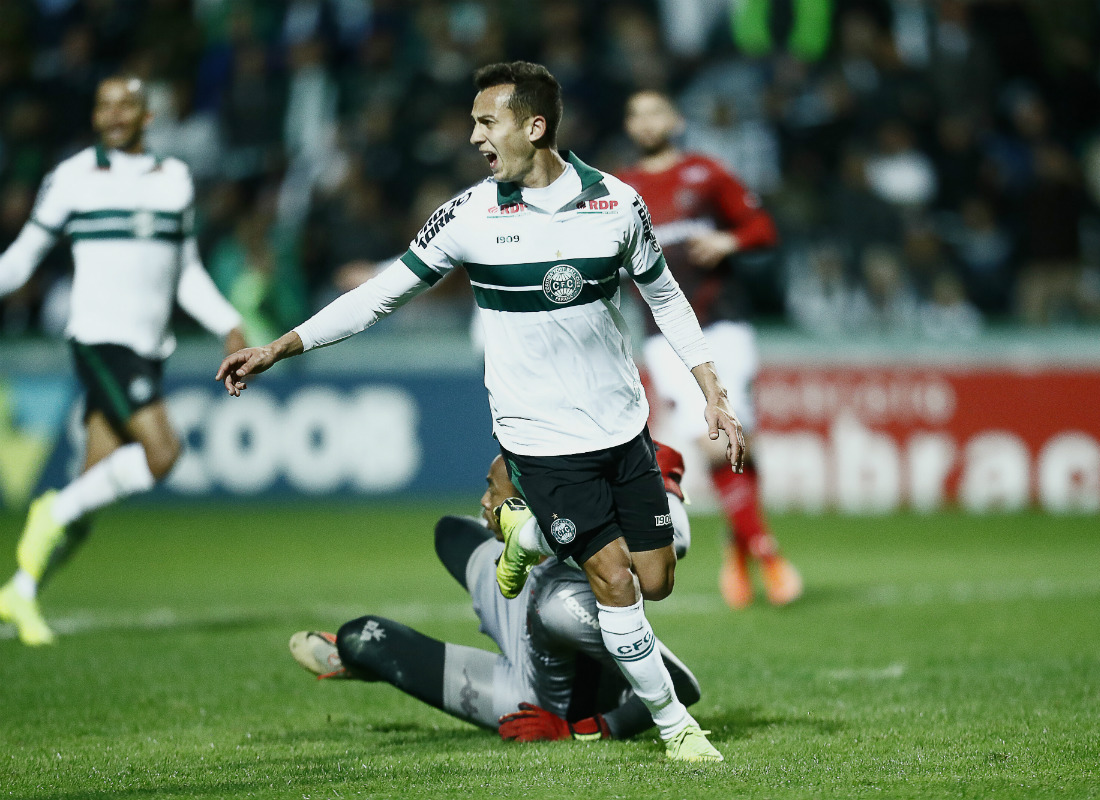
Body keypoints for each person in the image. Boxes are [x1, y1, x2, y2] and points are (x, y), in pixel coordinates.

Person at [218, 61, 737, 762]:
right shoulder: (469, 215)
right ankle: (679, 731)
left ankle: (526, 534)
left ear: (535, 126)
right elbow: (379, 295)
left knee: (657, 579)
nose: (473, 137)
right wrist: (281, 346)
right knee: (615, 582)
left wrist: (712, 389)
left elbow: (666, 296)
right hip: (541, 437)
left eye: (487, 122)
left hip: (622, 426)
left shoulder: (617, 203)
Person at [0, 77, 246, 646]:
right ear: (94, 116)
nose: (113, 115)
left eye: (125, 105)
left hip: (149, 349)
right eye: (104, 105)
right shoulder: (72, 177)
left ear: (146, 115)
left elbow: (186, 272)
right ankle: (49, 512)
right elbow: (22, 260)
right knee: (163, 453)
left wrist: (228, 324)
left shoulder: (174, 178)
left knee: (92, 490)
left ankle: (21, 591)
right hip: (99, 340)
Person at [289, 445, 703, 746]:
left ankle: (362, 661)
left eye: (493, 491)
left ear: (525, 506)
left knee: (360, 638)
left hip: (530, 693)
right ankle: (515, 558)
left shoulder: (564, 604)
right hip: (519, 598)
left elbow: (682, 685)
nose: (484, 500)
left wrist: (582, 730)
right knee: (450, 532)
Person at [619, 89, 802, 610]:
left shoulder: (707, 173)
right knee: (715, 442)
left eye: (656, 112)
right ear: (629, 127)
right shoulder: (619, 189)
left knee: (740, 441)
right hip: (664, 334)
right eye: (637, 115)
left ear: (675, 120)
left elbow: (761, 226)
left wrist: (729, 241)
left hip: (723, 322)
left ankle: (740, 544)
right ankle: (764, 551)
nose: (647, 122)